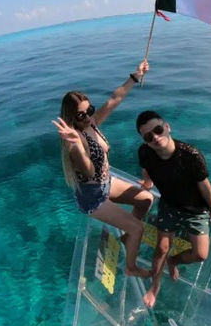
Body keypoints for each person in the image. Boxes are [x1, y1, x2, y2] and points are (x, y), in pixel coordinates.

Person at [52, 60, 154, 278]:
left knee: (146, 199)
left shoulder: (92, 124)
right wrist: (75, 144)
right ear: (72, 118)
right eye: (81, 114)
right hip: (93, 197)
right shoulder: (75, 139)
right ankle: (130, 267)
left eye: (89, 109)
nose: (87, 115)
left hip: (106, 183)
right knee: (139, 229)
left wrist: (135, 76)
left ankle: (127, 236)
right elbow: (88, 171)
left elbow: (114, 99)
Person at [136, 110, 211, 307]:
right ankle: (154, 287)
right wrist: (148, 182)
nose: (156, 137)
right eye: (148, 136)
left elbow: (204, 185)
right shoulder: (145, 152)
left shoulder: (191, 155)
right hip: (169, 205)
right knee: (160, 249)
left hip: (196, 210)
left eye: (158, 130)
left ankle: (174, 261)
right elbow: (146, 167)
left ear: (167, 127)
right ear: (145, 140)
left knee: (200, 254)